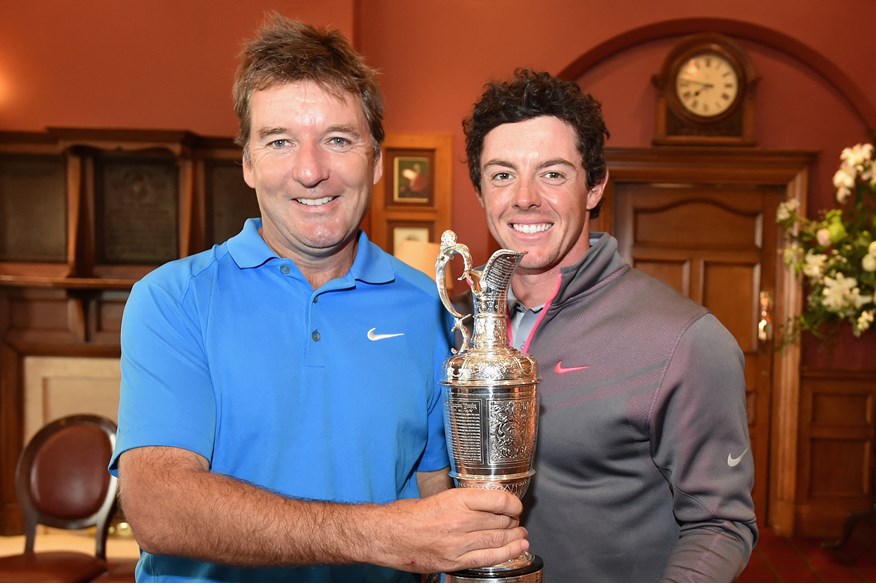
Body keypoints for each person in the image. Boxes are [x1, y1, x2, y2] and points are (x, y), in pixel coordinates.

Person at [109, 15, 528, 582]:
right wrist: (381, 537)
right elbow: (159, 508)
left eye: (338, 139)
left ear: (377, 160)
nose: (311, 171)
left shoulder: (432, 307)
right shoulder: (174, 298)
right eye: (280, 141)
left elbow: (435, 492)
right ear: (249, 164)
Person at [461, 68, 758, 582]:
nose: (525, 197)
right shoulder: (454, 320)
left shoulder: (683, 339)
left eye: (553, 173)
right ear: (481, 191)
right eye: (502, 174)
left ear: (594, 186)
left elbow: (721, 525)